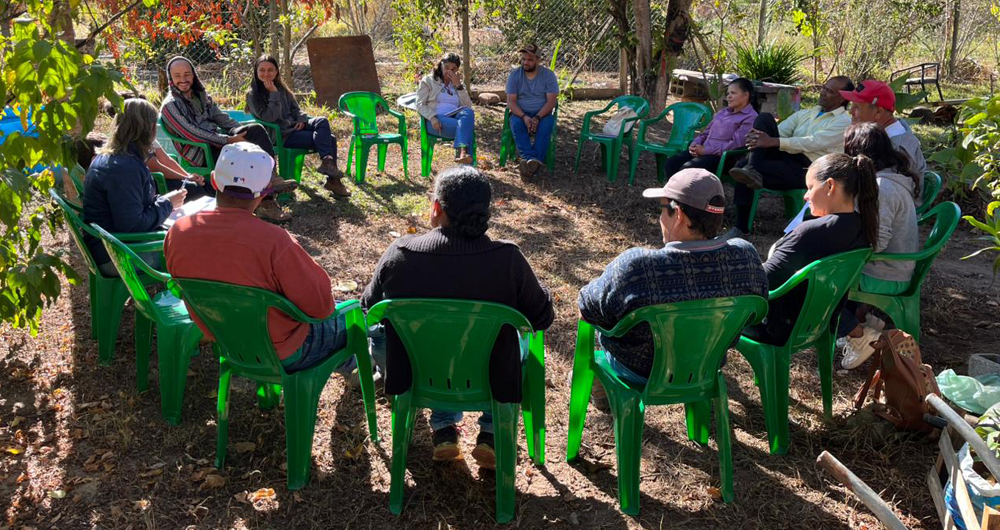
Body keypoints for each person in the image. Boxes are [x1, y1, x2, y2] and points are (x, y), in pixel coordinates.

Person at [361, 166, 554, 469]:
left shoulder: (399, 254)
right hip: (488, 379)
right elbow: (542, 318)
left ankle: (444, 427)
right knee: (511, 339)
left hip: (417, 374)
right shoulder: (508, 260)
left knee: (404, 338)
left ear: (436, 207)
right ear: (486, 212)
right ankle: (491, 432)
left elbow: (367, 307)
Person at [164, 142, 358, 377]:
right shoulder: (275, 242)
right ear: (266, 190)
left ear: (214, 181)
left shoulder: (178, 231)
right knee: (360, 317)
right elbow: (321, 308)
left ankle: (349, 363)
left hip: (225, 339)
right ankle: (365, 364)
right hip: (284, 349)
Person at [578, 168, 768, 384]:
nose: (660, 218)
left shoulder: (638, 267)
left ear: (678, 215)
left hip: (639, 371)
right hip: (706, 367)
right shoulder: (746, 258)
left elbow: (587, 308)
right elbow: (756, 315)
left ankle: (599, 384)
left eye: (662, 209)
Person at [744, 153, 880, 346]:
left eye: (810, 187)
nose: (806, 196)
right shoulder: (863, 227)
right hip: (819, 324)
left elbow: (761, 283)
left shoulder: (810, 233)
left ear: (830, 186)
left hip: (777, 326)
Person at [159, 55, 297, 222]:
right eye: (177, 76)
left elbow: (220, 117)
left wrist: (237, 131)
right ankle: (266, 204)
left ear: (193, 75)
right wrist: (228, 140)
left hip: (218, 140)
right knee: (243, 155)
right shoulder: (170, 105)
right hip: (201, 150)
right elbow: (192, 133)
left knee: (255, 129)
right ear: (171, 78)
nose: (183, 79)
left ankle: (271, 177)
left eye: (187, 74)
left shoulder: (200, 95)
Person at [723, 76, 855, 238]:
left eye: (829, 91)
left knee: (744, 165)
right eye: (823, 87)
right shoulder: (807, 113)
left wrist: (773, 141)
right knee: (764, 118)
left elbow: (813, 142)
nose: (822, 93)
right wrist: (760, 137)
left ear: (842, 98)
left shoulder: (844, 121)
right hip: (786, 158)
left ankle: (741, 225)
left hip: (809, 169)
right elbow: (782, 130)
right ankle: (751, 170)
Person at [839, 123, 920, 369]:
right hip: (891, 268)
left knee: (820, 282)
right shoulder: (893, 177)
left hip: (886, 273)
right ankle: (865, 320)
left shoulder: (883, 187)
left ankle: (858, 335)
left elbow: (878, 242)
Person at [82, 98, 185, 277]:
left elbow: (132, 207)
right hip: (118, 257)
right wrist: (167, 204)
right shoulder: (124, 168)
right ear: (149, 129)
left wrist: (163, 201)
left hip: (110, 247)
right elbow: (133, 226)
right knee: (193, 248)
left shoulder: (113, 158)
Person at [246, 55, 352, 198]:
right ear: (256, 72)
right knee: (331, 139)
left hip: (295, 126)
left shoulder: (282, 88)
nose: (266, 74)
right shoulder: (253, 94)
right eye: (262, 70)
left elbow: (296, 109)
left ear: (276, 71)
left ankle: (327, 163)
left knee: (321, 121)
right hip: (281, 134)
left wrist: (301, 119)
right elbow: (269, 117)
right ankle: (333, 179)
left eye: (270, 70)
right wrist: (273, 95)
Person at [840, 79, 927, 200]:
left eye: (857, 107)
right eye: (851, 105)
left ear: (878, 112)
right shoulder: (882, 134)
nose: (851, 112)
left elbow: (890, 197)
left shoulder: (898, 148)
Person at [661, 78, 759, 178]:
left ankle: (688, 193)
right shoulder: (723, 112)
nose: (728, 97)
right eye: (728, 93)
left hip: (724, 158)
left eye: (733, 93)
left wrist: (706, 150)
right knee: (672, 163)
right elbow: (705, 133)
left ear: (746, 95)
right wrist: (695, 144)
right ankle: (672, 193)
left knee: (688, 169)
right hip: (703, 152)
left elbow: (734, 145)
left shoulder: (750, 117)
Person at [505, 44, 559, 180]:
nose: (525, 62)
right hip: (520, 113)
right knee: (516, 123)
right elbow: (511, 101)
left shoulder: (548, 75)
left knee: (547, 124)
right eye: (523, 59)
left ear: (538, 60)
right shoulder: (514, 75)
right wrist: (524, 117)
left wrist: (537, 117)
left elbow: (551, 101)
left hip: (542, 114)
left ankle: (528, 163)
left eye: (529, 60)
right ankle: (533, 161)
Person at [416, 52, 476, 165]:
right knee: (467, 129)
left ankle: (462, 156)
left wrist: (458, 86)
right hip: (435, 121)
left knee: (468, 112)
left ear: (457, 70)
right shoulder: (428, 80)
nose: (449, 71)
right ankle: (465, 162)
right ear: (440, 65)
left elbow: (467, 105)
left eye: (453, 69)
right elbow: (419, 104)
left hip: (455, 116)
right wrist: (432, 118)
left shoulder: (457, 83)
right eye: (446, 67)